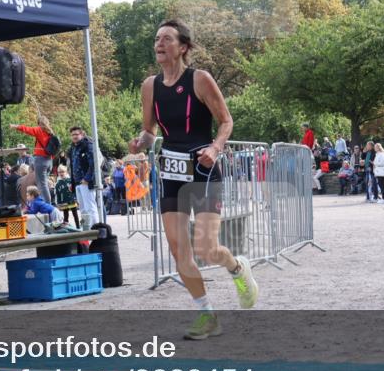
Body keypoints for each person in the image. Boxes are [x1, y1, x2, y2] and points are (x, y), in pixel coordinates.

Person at [128, 19, 258, 340]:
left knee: (207, 248)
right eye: (157, 38)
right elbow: (150, 131)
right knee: (178, 250)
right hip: (171, 173)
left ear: (183, 46)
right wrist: (140, 142)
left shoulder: (200, 79)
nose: (159, 43)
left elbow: (226, 121)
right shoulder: (149, 86)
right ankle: (207, 315)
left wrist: (216, 147)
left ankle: (236, 267)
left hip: (203, 171)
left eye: (167, 39)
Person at [11, 114, 57, 203]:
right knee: (44, 183)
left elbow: (27, 129)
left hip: (41, 161)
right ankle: (45, 203)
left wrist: (16, 126)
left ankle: (46, 205)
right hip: (49, 161)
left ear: (39, 123)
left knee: (42, 185)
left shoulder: (40, 130)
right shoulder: (50, 132)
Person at [68, 126, 100, 226]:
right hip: (77, 182)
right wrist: (72, 182)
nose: (74, 136)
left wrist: (87, 178)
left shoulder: (88, 145)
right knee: (82, 209)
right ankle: (86, 229)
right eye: (72, 135)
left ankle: (95, 229)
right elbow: (72, 166)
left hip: (86, 182)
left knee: (90, 207)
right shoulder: (73, 148)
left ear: (82, 134)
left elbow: (93, 163)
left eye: (76, 134)